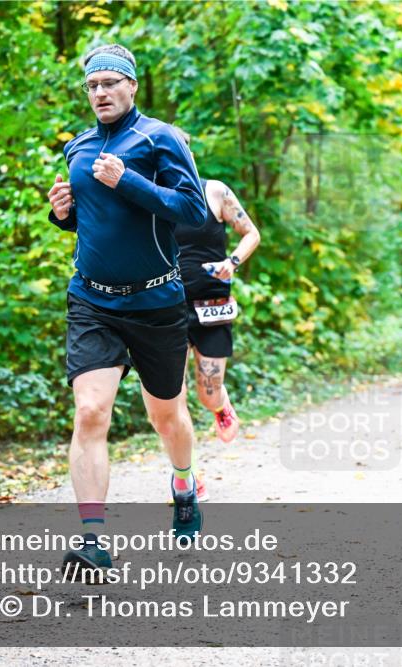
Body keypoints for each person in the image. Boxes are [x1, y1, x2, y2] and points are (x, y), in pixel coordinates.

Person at [46, 44, 207, 574]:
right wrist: (63, 215)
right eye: (92, 86)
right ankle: (93, 541)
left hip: (157, 300)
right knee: (91, 411)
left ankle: (183, 484)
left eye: (110, 83)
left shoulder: (160, 138)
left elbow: (193, 210)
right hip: (93, 300)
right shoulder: (79, 147)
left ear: (132, 86)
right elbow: (93, 220)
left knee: (167, 416)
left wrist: (131, 181)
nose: (100, 93)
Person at [173, 135, 261, 500]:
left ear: (190, 155)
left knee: (207, 394)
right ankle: (188, 477)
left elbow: (251, 233)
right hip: (164, 307)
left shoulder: (216, 192)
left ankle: (221, 406)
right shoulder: (150, 197)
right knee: (170, 400)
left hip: (211, 303)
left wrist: (232, 262)